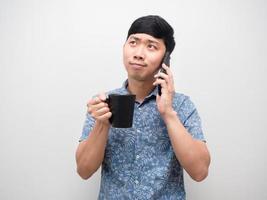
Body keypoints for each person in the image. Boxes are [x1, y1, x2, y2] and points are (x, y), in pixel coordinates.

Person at [76, 15, 211, 200]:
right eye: (133, 42)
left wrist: (169, 114)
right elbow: (84, 170)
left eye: (151, 46)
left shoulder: (182, 105)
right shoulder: (102, 103)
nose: (139, 53)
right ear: (123, 47)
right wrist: (102, 124)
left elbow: (200, 172)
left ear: (166, 58)